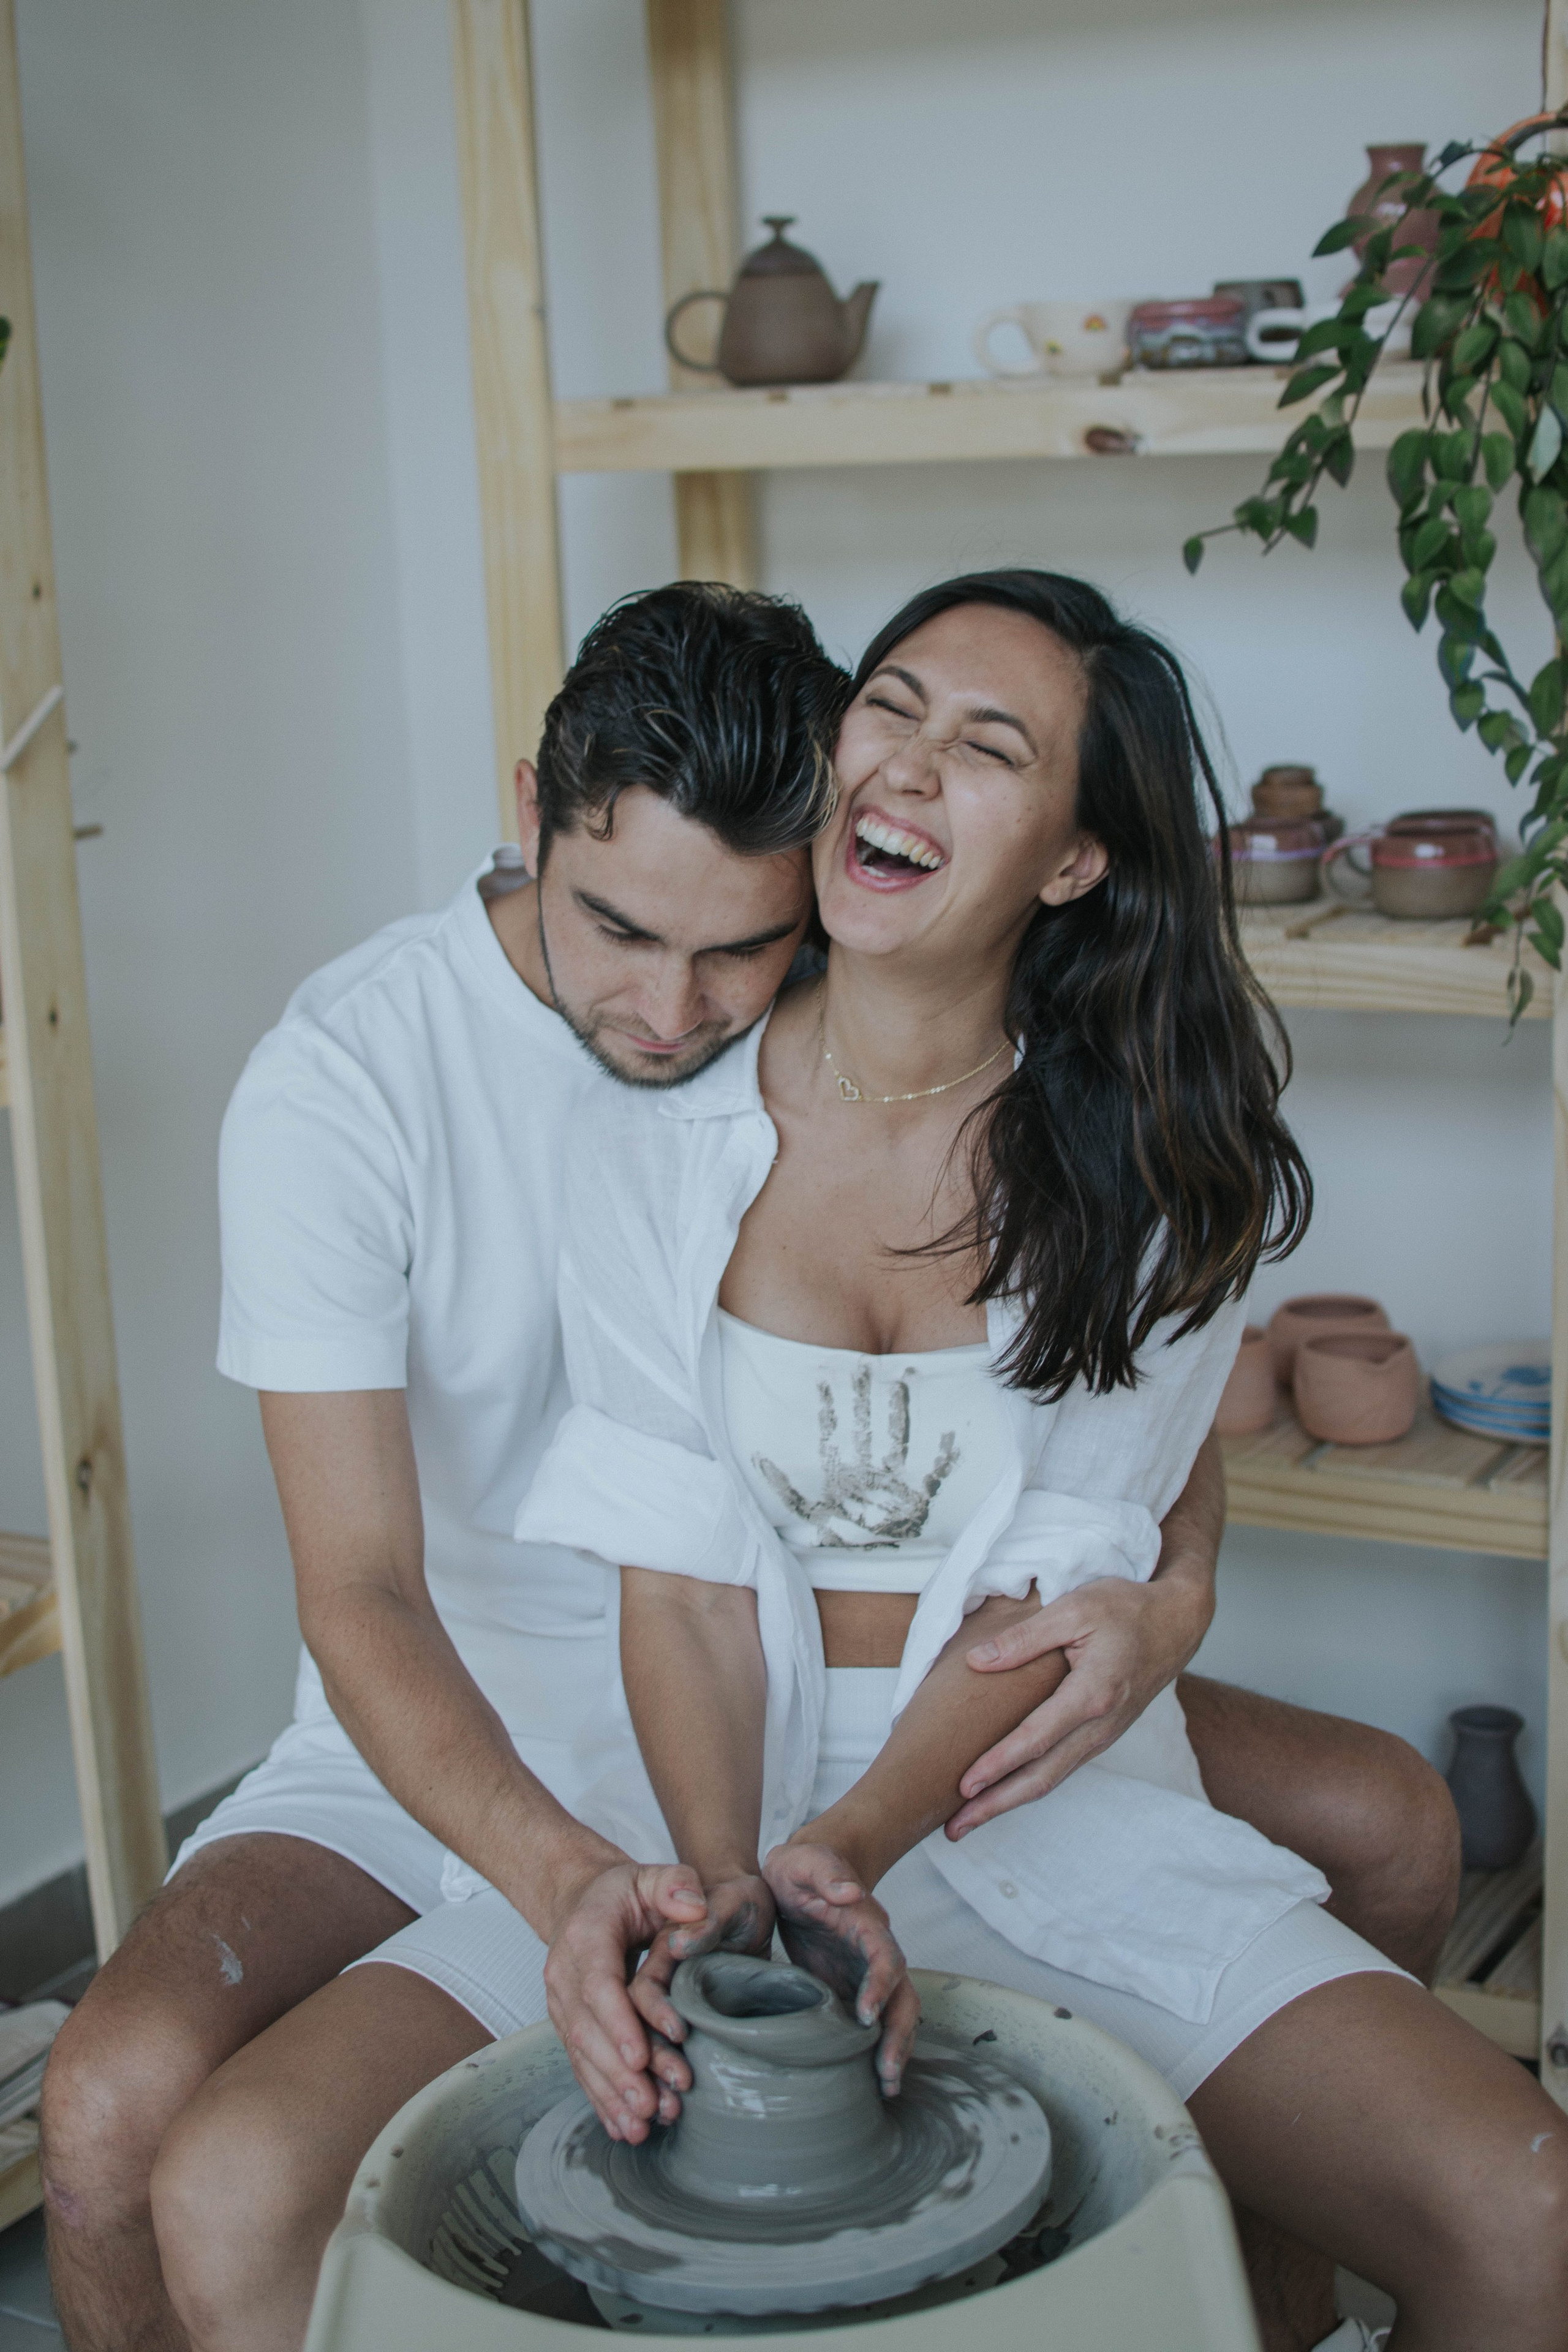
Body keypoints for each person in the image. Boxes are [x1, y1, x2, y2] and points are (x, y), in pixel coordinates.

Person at [39, 583, 1456, 2352]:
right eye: (616, 930)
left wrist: (1171, 1591)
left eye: (739, 950)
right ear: (528, 809)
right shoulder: (350, 1079)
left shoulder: (854, 985)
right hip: (488, 1710)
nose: (669, 1013)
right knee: (113, 2116)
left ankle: (1261, 2286)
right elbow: (363, 1593)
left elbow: (1084, 1397)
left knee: (1396, 1822)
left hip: (837, 1663)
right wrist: (575, 1881)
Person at [519, 573, 1568, 2352]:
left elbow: (1051, 1591)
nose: (906, 769)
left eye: (987, 747)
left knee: (1522, 2204)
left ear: (1075, 860)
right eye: (894, 706)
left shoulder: (1150, 1166)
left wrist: (850, 1848)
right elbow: (681, 1576)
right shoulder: (653, 1132)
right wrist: (735, 1897)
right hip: (706, 1775)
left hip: (1032, 1782)